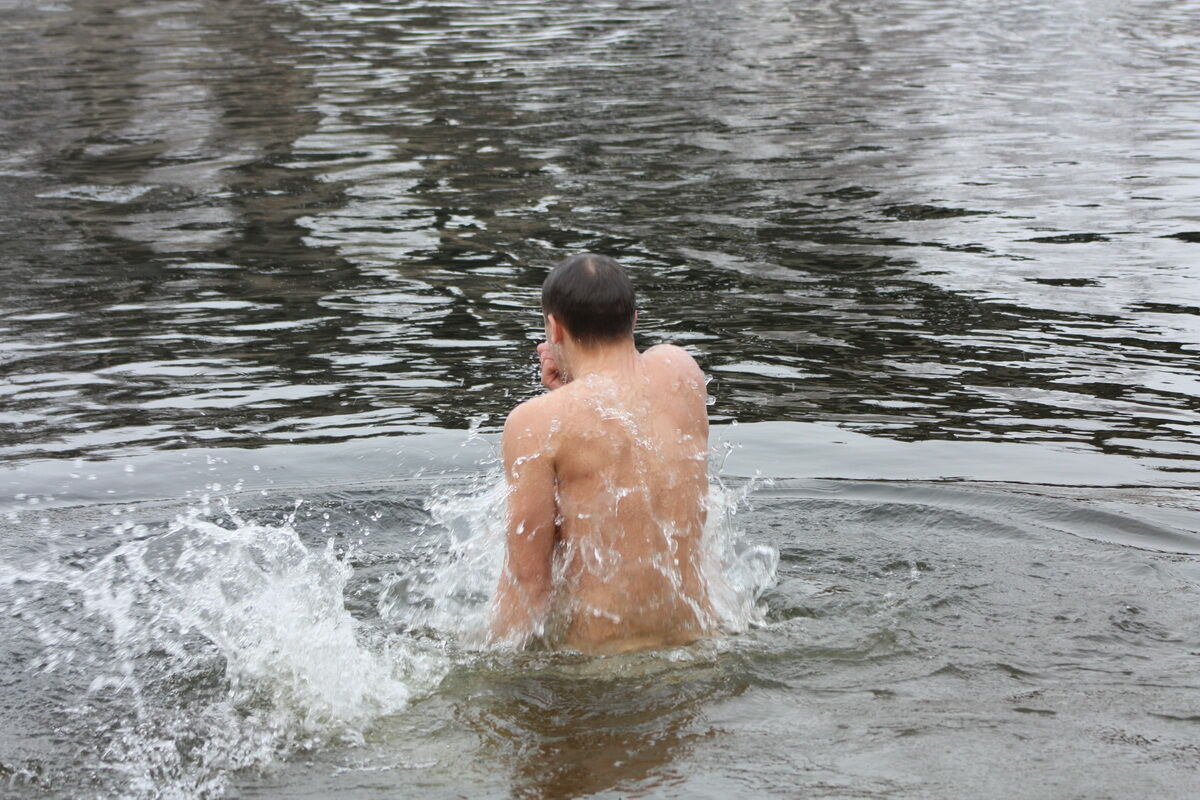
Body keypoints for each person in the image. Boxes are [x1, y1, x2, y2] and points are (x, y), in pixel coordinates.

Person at [489, 253, 715, 654]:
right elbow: (629, 451)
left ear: (554, 328)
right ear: (634, 320)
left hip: (602, 669)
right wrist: (568, 391)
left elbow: (529, 585)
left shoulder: (536, 423)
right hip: (697, 645)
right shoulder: (683, 372)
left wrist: (489, 667)